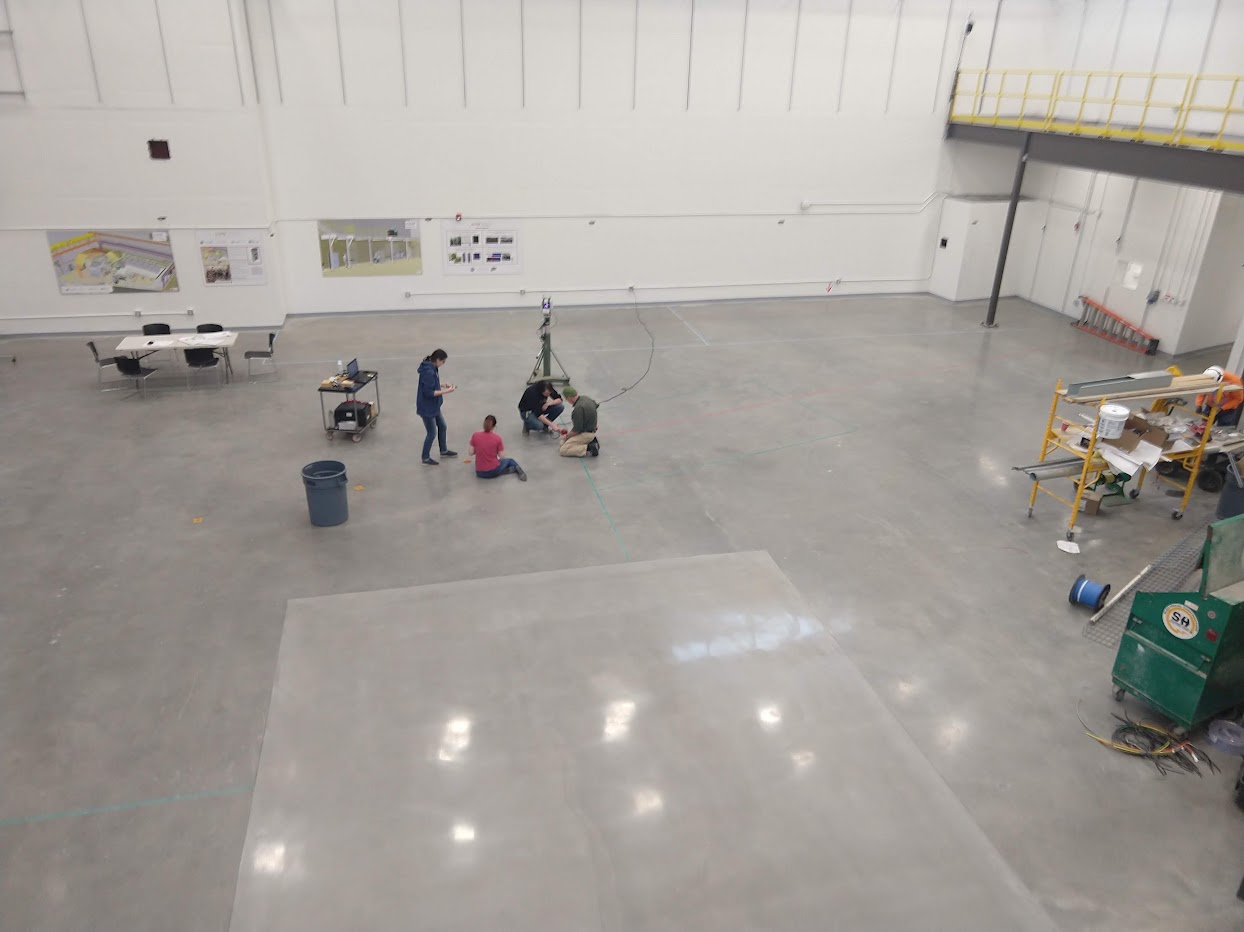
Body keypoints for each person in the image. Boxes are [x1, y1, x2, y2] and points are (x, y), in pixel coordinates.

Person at [417, 349, 458, 466]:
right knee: (431, 433)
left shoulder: (432, 368)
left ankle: (443, 450)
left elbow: (430, 383)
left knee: (443, 426)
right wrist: (446, 391)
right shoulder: (429, 372)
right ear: (438, 360)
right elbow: (428, 392)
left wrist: (441, 384)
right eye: (443, 362)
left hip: (434, 406)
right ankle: (425, 457)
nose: (443, 364)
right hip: (427, 408)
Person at [470, 415, 527, 481]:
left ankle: (502, 471)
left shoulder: (475, 435)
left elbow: (470, 453)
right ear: (494, 426)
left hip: (480, 473)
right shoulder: (497, 438)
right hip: (493, 470)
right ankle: (521, 472)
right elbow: (502, 456)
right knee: (510, 461)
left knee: (494, 466)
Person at [558, 386, 600, 458]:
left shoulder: (578, 409)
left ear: (569, 398)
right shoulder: (586, 398)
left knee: (563, 449)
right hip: (591, 430)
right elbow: (596, 405)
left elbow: (577, 430)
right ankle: (591, 441)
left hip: (585, 434)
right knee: (563, 443)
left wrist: (567, 437)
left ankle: (589, 447)